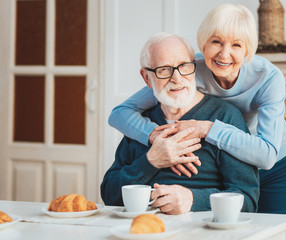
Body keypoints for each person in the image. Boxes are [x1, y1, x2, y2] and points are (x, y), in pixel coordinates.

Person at [108, 3, 286, 214]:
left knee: (274, 225)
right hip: (227, 155)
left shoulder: (267, 77)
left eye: (236, 45)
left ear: (247, 51)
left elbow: (267, 157)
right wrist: (156, 140)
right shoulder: (188, 67)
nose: (224, 54)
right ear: (204, 44)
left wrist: (208, 129)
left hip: (271, 158)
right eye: (216, 41)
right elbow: (121, 113)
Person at [101, 33, 259, 214]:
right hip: (145, 228)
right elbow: (109, 195)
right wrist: (150, 161)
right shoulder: (139, 124)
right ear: (147, 78)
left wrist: (193, 200)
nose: (177, 78)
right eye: (164, 70)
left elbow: (248, 200)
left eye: (184, 66)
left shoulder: (224, 116)